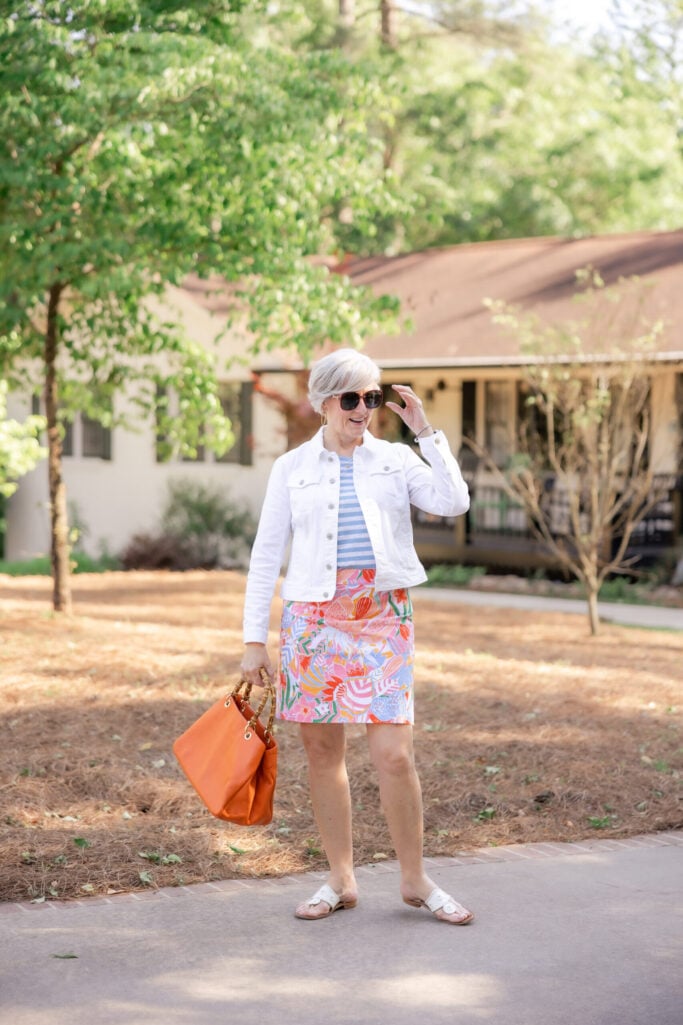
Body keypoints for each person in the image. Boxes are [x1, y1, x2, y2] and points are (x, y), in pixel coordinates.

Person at [240, 348, 473, 924]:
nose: (364, 409)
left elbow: (453, 501)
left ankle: (414, 880)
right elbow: (267, 554)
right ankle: (340, 880)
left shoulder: (394, 458)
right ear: (324, 402)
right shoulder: (291, 468)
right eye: (352, 398)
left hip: (383, 618)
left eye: (372, 398)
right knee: (323, 755)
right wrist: (253, 638)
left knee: (394, 755)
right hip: (313, 622)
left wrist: (426, 433)